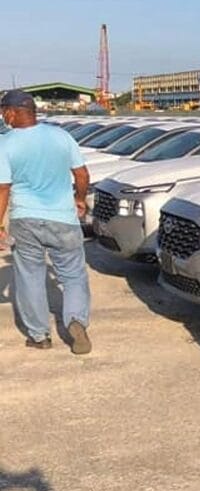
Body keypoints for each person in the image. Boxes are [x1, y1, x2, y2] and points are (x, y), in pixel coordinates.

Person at [0, 90, 92, 354]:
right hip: (63, 218)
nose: (3, 116)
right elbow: (82, 174)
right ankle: (76, 321)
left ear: (13, 112)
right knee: (73, 275)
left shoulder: (5, 144)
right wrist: (80, 198)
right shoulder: (61, 136)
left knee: (30, 277)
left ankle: (39, 336)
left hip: (26, 219)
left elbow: (3, 188)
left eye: (3, 110)